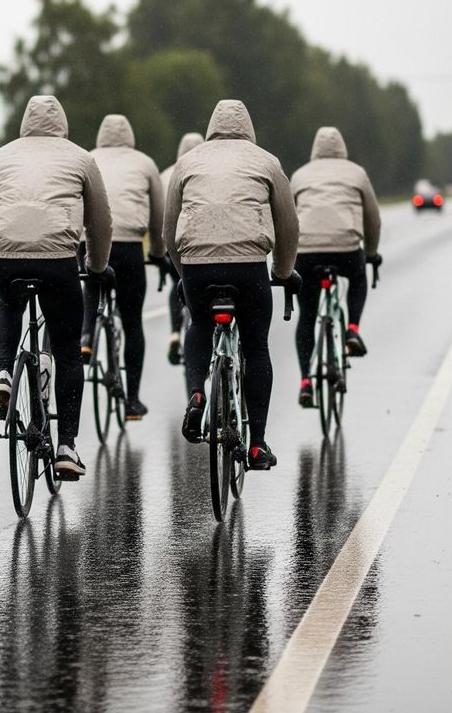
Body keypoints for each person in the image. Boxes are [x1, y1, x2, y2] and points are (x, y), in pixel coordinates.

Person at [0, 95, 113, 478]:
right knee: (68, 351)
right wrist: (96, 266)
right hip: (57, 260)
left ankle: (4, 373)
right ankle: (67, 446)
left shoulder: (0, 157)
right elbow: (100, 222)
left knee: (8, 305)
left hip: (4, 256)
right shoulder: (81, 158)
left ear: (25, 122)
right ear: (62, 124)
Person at [164, 99, 300, 470]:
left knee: (199, 325)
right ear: (248, 128)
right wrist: (283, 271)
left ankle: (196, 393)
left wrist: (184, 272)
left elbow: (169, 230)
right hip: (248, 268)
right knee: (255, 347)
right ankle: (257, 445)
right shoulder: (267, 162)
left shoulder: (187, 162)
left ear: (212, 127)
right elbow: (288, 226)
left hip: (198, 266)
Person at [79, 114, 164, 420]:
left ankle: (86, 336)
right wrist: (157, 253)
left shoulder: (86, 158)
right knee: (132, 322)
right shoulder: (145, 163)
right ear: (130, 136)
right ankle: (132, 401)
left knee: (93, 279)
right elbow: (158, 216)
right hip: (128, 245)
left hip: (88, 240)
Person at [289, 127, 381, 407]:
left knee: (307, 316)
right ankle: (352, 329)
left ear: (315, 149)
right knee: (358, 276)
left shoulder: (300, 175)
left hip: (306, 252)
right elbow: (373, 219)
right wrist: (371, 253)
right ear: (342, 148)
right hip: (346, 250)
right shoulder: (357, 173)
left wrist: (287, 261)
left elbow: (288, 218)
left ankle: (305, 382)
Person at [160, 132, 204, 365]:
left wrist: (158, 252)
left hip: (174, 243)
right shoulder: (209, 172)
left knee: (178, 284)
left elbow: (159, 216)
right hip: (201, 245)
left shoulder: (167, 174)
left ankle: (175, 333)